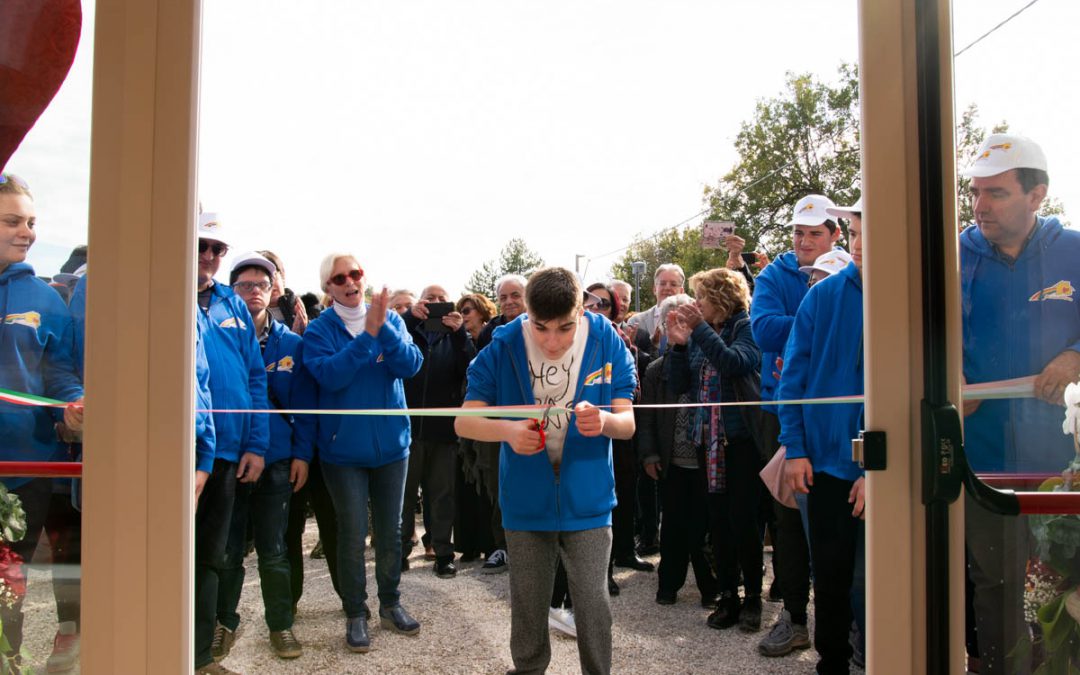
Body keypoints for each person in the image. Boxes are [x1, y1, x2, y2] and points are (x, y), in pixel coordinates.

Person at [455, 266, 637, 675]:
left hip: (588, 499)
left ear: (582, 310)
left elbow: (627, 424)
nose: (552, 341)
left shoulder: (608, 340)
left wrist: (605, 422)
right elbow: (463, 422)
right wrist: (507, 432)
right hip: (525, 500)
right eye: (541, 328)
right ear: (526, 314)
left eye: (565, 328)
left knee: (593, 604)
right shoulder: (501, 344)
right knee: (528, 606)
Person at [959, 134, 1080, 675]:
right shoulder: (949, 255)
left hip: (1062, 461)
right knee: (995, 583)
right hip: (980, 458)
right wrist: (945, 374)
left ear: (1037, 195)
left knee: (1064, 579)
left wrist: (1078, 354)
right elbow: (914, 334)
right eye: (976, 192)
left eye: (997, 193)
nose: (981, 205)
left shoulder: (1072, 251)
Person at [302, 253, 424, 654]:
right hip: (343, 453)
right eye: (340, 277)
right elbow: (330, 376)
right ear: (329, 288)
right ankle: (356, 612)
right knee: (352, 535)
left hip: (392, 448)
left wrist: (383, 329)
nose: (350, 281)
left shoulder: (391, 318)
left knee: (390, 533)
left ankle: (390, 603)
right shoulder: (319, 331)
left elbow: (410, 365)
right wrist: (368, 339)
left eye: (355, 273)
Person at [750, 193, 842, 658]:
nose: (804, 242)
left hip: (841, 418)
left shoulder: (849, 269)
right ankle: (794, 616)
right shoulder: (774, 274)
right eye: (798, 233)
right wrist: (821, 318)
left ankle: (849, 623)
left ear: (834, 234)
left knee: (841, 521)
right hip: (781, 411)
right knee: (788, 520)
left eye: (814, 233)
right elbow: (762, 329)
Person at [0, 173, 85, 668]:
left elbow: (61, 375)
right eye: (12, 221)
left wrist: (76, 407)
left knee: (8, 584)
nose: (27, 232)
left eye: (31, 222)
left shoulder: (46, 300)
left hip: (25, 471)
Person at [214, 252, 316, 661]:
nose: (253, 292)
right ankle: (223, 624)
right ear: (232, 290)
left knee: (275, 549)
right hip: (230, 458)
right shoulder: (216, 335)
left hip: (277, 459)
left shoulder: (292, 344)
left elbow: (307, 408)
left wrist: (302, 455)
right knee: (228, 549)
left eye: (261, 285)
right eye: (244, 285)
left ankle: (281, 624)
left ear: (274, 291)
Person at [779, 207, 865, 675]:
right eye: (853, 232)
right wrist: (794, 449)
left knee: (874, 581)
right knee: (830, 579)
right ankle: (831, 664)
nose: (857, 243)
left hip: (890, 471)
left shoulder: (915, 292)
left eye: (866, 233)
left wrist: (875, 470)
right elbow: (793, 379)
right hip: (824, 467)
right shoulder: (821, 297)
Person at [666, 267, 764, 632]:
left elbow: (735, 363)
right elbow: (679, 385)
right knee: (718, 524)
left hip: (740, 443)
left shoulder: (746, 328)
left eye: (702, 297)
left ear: (722, 298)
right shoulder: (696, 335)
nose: (696, 304)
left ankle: (753, 598)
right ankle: (728, 596)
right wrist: (677, 344)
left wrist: (699, 330)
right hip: (706, 443)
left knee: (744, 522)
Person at [193, 212, 270, 675]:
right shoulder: (164, 289)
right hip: (172, 448)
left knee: (212, 557)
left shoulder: (233, 304)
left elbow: (255, 377)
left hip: (227, 454)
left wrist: (256, 444)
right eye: (201, 244)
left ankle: (200, 657)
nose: (208, 256)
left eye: (217, 249)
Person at [638, 293, 719, 609]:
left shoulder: (705, 362)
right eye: (673, 322)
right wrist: (649, 455)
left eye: (685, 320)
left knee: (702, 528)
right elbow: (646, 417)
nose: (679, 327)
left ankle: (710, 588)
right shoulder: (657, 370)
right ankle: (668, 586)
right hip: (671, 463)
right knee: (671, 526)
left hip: (704, 463)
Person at [400, 284, 476, 578]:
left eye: (441, 298)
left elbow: (470, 367)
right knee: (404, 496)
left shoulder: (456, 336)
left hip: (444, 431)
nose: (435, 303)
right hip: (407, 431)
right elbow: (392, 351)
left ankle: (443, 553)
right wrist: (408, 318)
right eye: (429, 298)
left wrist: (459, 334)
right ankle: (400, 550)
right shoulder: (408, 329)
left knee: (442, 494)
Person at [473, 273, 528, 574]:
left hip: (534, 420)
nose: (509, 302)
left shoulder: (542, 327)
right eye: (503, 297)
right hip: (498, 421)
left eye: (515, 295)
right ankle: (502, 547)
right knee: (499, 482)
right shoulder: (489, 333)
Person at [453, 292, 499, 563]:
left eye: (468, 310)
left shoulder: (494, 337)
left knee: (490, 482)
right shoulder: (455, 338)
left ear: (482, 311)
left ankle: (495, 545)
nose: (464, 314)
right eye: (461, 310)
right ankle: (473, 544)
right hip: (467, 416)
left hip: (492, 422)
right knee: (471, 485)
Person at [259, 250, 309, 335]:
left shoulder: (302, 310)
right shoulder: (250, 318)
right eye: (263, 280)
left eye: (273, 276)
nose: (270, 284)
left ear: (282, 277)